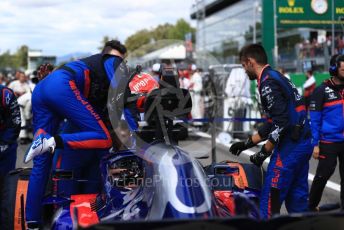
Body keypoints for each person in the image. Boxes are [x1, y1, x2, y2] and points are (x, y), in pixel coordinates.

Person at [24, 40, 129, 228]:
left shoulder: (91, 75)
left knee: (40, 163)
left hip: (45, 90)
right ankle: (50, 141)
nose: (120, 65)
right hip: (61, 89)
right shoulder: (113, 63)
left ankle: (32, 222)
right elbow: (124, 104)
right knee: (103, 138)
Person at [229, 44, 312, 219]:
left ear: (250, 62)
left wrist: (263, 152)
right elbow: (272, 121)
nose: (244, 71)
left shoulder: (268, 83)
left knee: (268, 206)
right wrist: (247, 143)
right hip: (303, 144)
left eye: (244, 66)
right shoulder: (275, 76)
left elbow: (282, 123)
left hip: (290, 149)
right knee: (298, 204)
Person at [308, 54, 344, 211]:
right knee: (323, 175)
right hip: (328, 142)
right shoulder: (321, 90)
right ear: (334, 69)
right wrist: (315, 144)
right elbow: (314, 120)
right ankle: (310, 206)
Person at [0, 85, 21, 222]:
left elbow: (15, 124)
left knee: (5, 189)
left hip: (5, 147)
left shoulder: (6, 94)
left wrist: (3, 145)